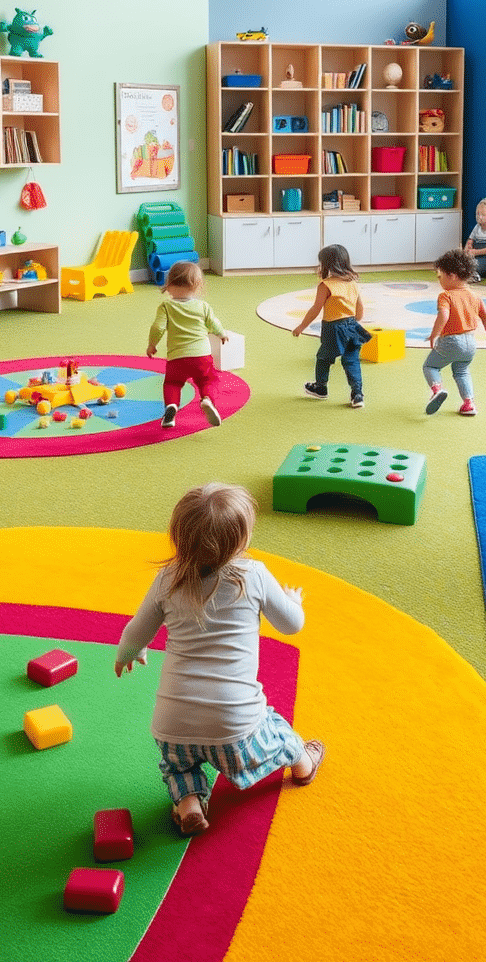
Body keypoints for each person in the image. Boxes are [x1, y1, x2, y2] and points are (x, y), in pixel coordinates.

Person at [115, 483, 325, 836]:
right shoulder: (253, 574)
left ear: (176, 536)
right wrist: (294, 601)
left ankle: (189, 803)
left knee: (178, 766)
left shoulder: (166, 579)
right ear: (240, 541)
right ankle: (302, 763)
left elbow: (136, 631)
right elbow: (292, 625)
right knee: (275, 731)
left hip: (172, 723)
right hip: (234, 724)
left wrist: (129, 654)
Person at [146, 261, 227, 428]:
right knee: (208, 380)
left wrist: (152, 345)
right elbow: (214, 323)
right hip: (201, 356)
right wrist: (222, 334)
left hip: (177, 359)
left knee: (172, 383)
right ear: (197, 286)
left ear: (169, 285)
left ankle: (171, 406)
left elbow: (158, 327)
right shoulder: (203, 306)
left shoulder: (166, 306)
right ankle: (206, 399)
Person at [424, 248, 486, 417]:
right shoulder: (475, 296)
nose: (440, 281)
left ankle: (437, 389)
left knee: (430, 366)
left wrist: (434, 334)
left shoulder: (446, 295)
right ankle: (469, 404)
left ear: (451, 276)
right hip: (470, 344)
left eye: (440, 276)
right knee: (461, 371)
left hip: (451, 341)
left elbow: (444, 315)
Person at [292, 244, 370, 408]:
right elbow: (360, 308)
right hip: (352, 326)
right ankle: (357, 394)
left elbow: (315, 309)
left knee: (323, 357)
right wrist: (355, 321)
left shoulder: (326, 285)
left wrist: (301, 326)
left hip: (334, 328)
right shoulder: (352, 283)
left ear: (327, 265)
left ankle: (321, 387)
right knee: (352, 361)